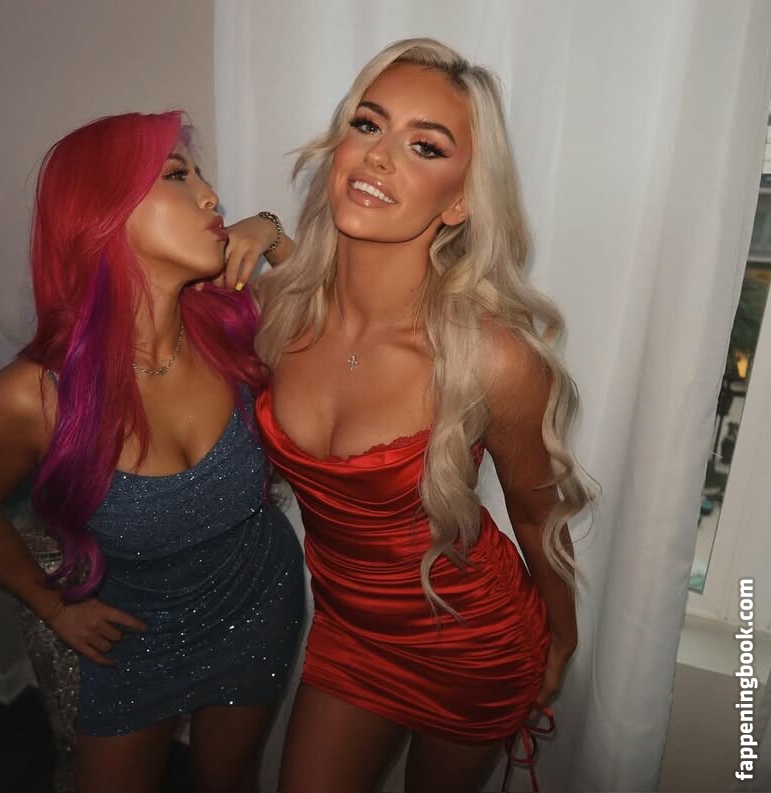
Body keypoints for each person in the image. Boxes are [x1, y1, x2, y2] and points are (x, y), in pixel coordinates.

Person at [237, 39, 593, 792]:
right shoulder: (278, 312)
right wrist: (265, 228)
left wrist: (561, 640)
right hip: (348, 632)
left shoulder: (494, 360)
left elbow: (537, 519)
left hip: (471, 642)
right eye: (368, 125)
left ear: (459, 201)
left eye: (425, 146)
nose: (378, 155)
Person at [0, 111, 304, 793]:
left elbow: (343, 316)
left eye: (201, 176)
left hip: (259, 602)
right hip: (137, 637)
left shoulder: (234, 325)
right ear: (102, 214)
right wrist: (52, 607)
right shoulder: (30, 398)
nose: (211, 196)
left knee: (228, 779)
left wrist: (272, 231)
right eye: (176, 176)